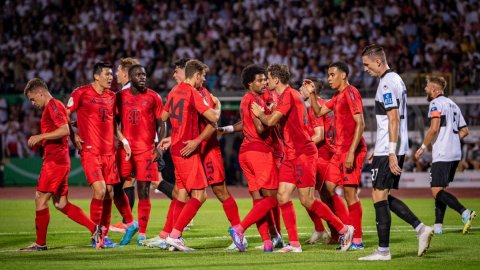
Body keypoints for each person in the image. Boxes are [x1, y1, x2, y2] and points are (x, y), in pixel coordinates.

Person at [245, 64, 354, 253]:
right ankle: (294, 244)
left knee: (307, 200)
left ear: (276, 80)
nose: (267, 82)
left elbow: (270, 121)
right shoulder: (283, 96)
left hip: (304, 153)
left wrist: (260, 113)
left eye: (268, 78)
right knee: (282, 196)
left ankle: (344, 229)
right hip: (291, 154)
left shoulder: (289, 95)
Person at [358, 44, 433, 261]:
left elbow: (392, 118)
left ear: (378, 62)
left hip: (390, 148)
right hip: (389, 146)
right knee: (383, 195)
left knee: (378, 195)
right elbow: (390, 120)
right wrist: (378, 148)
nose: (365, 69)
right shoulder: (396, 79)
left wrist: (389, 152)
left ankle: (383, 251)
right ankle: (420, 228)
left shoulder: (387, 84)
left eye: (366, 64)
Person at [20, 78, 103, 251]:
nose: (33, 103)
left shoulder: (53, 105)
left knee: (40, 198)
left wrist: (40, 137)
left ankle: (40, 243)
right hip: (59, 160)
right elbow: (67, 127)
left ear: (40, 93)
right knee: (60, 203)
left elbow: (63, 129)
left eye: (33, 99)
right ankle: (94, 228)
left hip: (55, 161)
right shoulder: (56, 106)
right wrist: (74, 137)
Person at [66, 62, 138, 248]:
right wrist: (73, 135)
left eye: (111, 75)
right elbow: (65, 115)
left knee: (110, 193)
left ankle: (104, 236)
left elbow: (113, 123)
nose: (110, 78)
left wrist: (124, 141)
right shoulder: (80, 93)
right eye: (106, 74)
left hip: (109, 153)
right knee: (100, 190)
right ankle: (95, 233)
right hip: (90, 152)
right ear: (96, 76)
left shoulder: (112, 96)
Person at [304, 62, 367, 249]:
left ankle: (357, 239)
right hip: (339, 151)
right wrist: (313, 93)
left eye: (332, 74)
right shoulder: (337, 96)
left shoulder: (351, 92)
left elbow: (360, 124)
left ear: (344, 75)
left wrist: (351, 153)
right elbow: (319, 110)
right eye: (328, 75)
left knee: (350, 194)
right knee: (327, 190)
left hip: (350, 151)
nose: (329, 78)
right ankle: (343, 229)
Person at [161, 59, 221, 251]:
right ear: (196, 75)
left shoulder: (174, 91)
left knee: (182, 193)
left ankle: (170, 237)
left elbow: (163, 117)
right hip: (188, 150)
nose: (203, 79)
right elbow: (214, 118)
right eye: (202, 76)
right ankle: (175, 235)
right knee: (200, 195)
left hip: (176, 149)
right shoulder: (192, 92)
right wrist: (217, 106)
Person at [227, 64, 279, 252]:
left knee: (259, 201)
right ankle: (239, 229)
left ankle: (267, 242)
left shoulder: (247, 99)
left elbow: (247, 123)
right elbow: (260, 128)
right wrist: (271, 115)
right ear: (250, 83)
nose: (264, 82)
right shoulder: (254, 101)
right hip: (259, 152)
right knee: (274, 198)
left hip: (246, 152)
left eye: (265, 79)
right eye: (260, 80)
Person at [414, 76, 476, 235]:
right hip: (455, 153)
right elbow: (465, 131)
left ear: (434, 90)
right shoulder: (453, 104)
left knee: (436, 191)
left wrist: (422, 147)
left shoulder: (435, 103)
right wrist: (452, 139)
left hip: (443, 152)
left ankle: (464, 212)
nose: (426, 89)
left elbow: (434, 129)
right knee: (440, 190)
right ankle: (438, 226)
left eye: (427, 87)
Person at [116, 64, 165, 245]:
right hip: (126, 151)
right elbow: (113, 122)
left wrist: (158, 146)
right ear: (130, 77)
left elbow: (162, 123)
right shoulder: (120, 97)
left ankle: (142, 234)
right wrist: (122, 139)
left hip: (146, 150)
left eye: (144, 74)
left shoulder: (153, 97)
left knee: (144, 191)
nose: (142, 77)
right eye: (138, 75)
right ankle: (130, 223)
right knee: (116, 188)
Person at [109, 57, 141, 235]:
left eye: (118, 72)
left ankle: (127, 222)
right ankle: (128, 222)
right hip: (140, 145)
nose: (115, 75)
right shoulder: (142, 92)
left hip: (128, 146)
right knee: (129, 182)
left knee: (116, 185)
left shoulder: (121, 96)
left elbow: (113, 120)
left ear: (126, 74)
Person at [298, 81, 332, 245]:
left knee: (320, 196)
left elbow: (319, 135)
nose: (299, 89)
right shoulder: (322, 103)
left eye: (302, 87)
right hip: (325, 154)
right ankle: (323, 229)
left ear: (311, 90)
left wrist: (301, 147)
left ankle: (341, 230)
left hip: (320, 155)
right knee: (314, 195)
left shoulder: (314, 106)